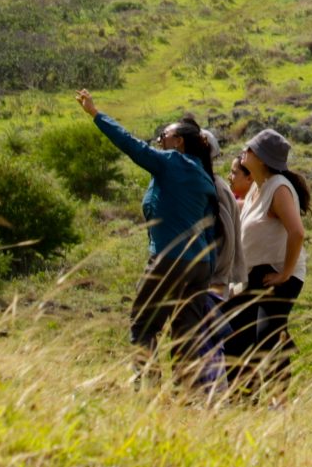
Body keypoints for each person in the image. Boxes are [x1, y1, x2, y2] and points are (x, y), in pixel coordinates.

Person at [75, 88, 223, 378]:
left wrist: (96, 115)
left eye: (163, 137)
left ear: (178, 142)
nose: (159, 142)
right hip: (200, 267)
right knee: (186, 335)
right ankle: (186, 398)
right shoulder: (203, 174)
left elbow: (132, 146)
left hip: (169, 259)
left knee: (144, 325)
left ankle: (147, 389)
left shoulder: (171, 162)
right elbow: (211, 230)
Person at [226, 127, 308, 397]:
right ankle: (244, 399)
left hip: (277, 275)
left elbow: (297, 232)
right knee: (236, 334)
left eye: (249, 149)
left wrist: (284, 273)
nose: (244, 152)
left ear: (260, 158)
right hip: (255, 275)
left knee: (267, 337)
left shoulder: (279, 188)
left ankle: (278, 401)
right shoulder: (256, 190)